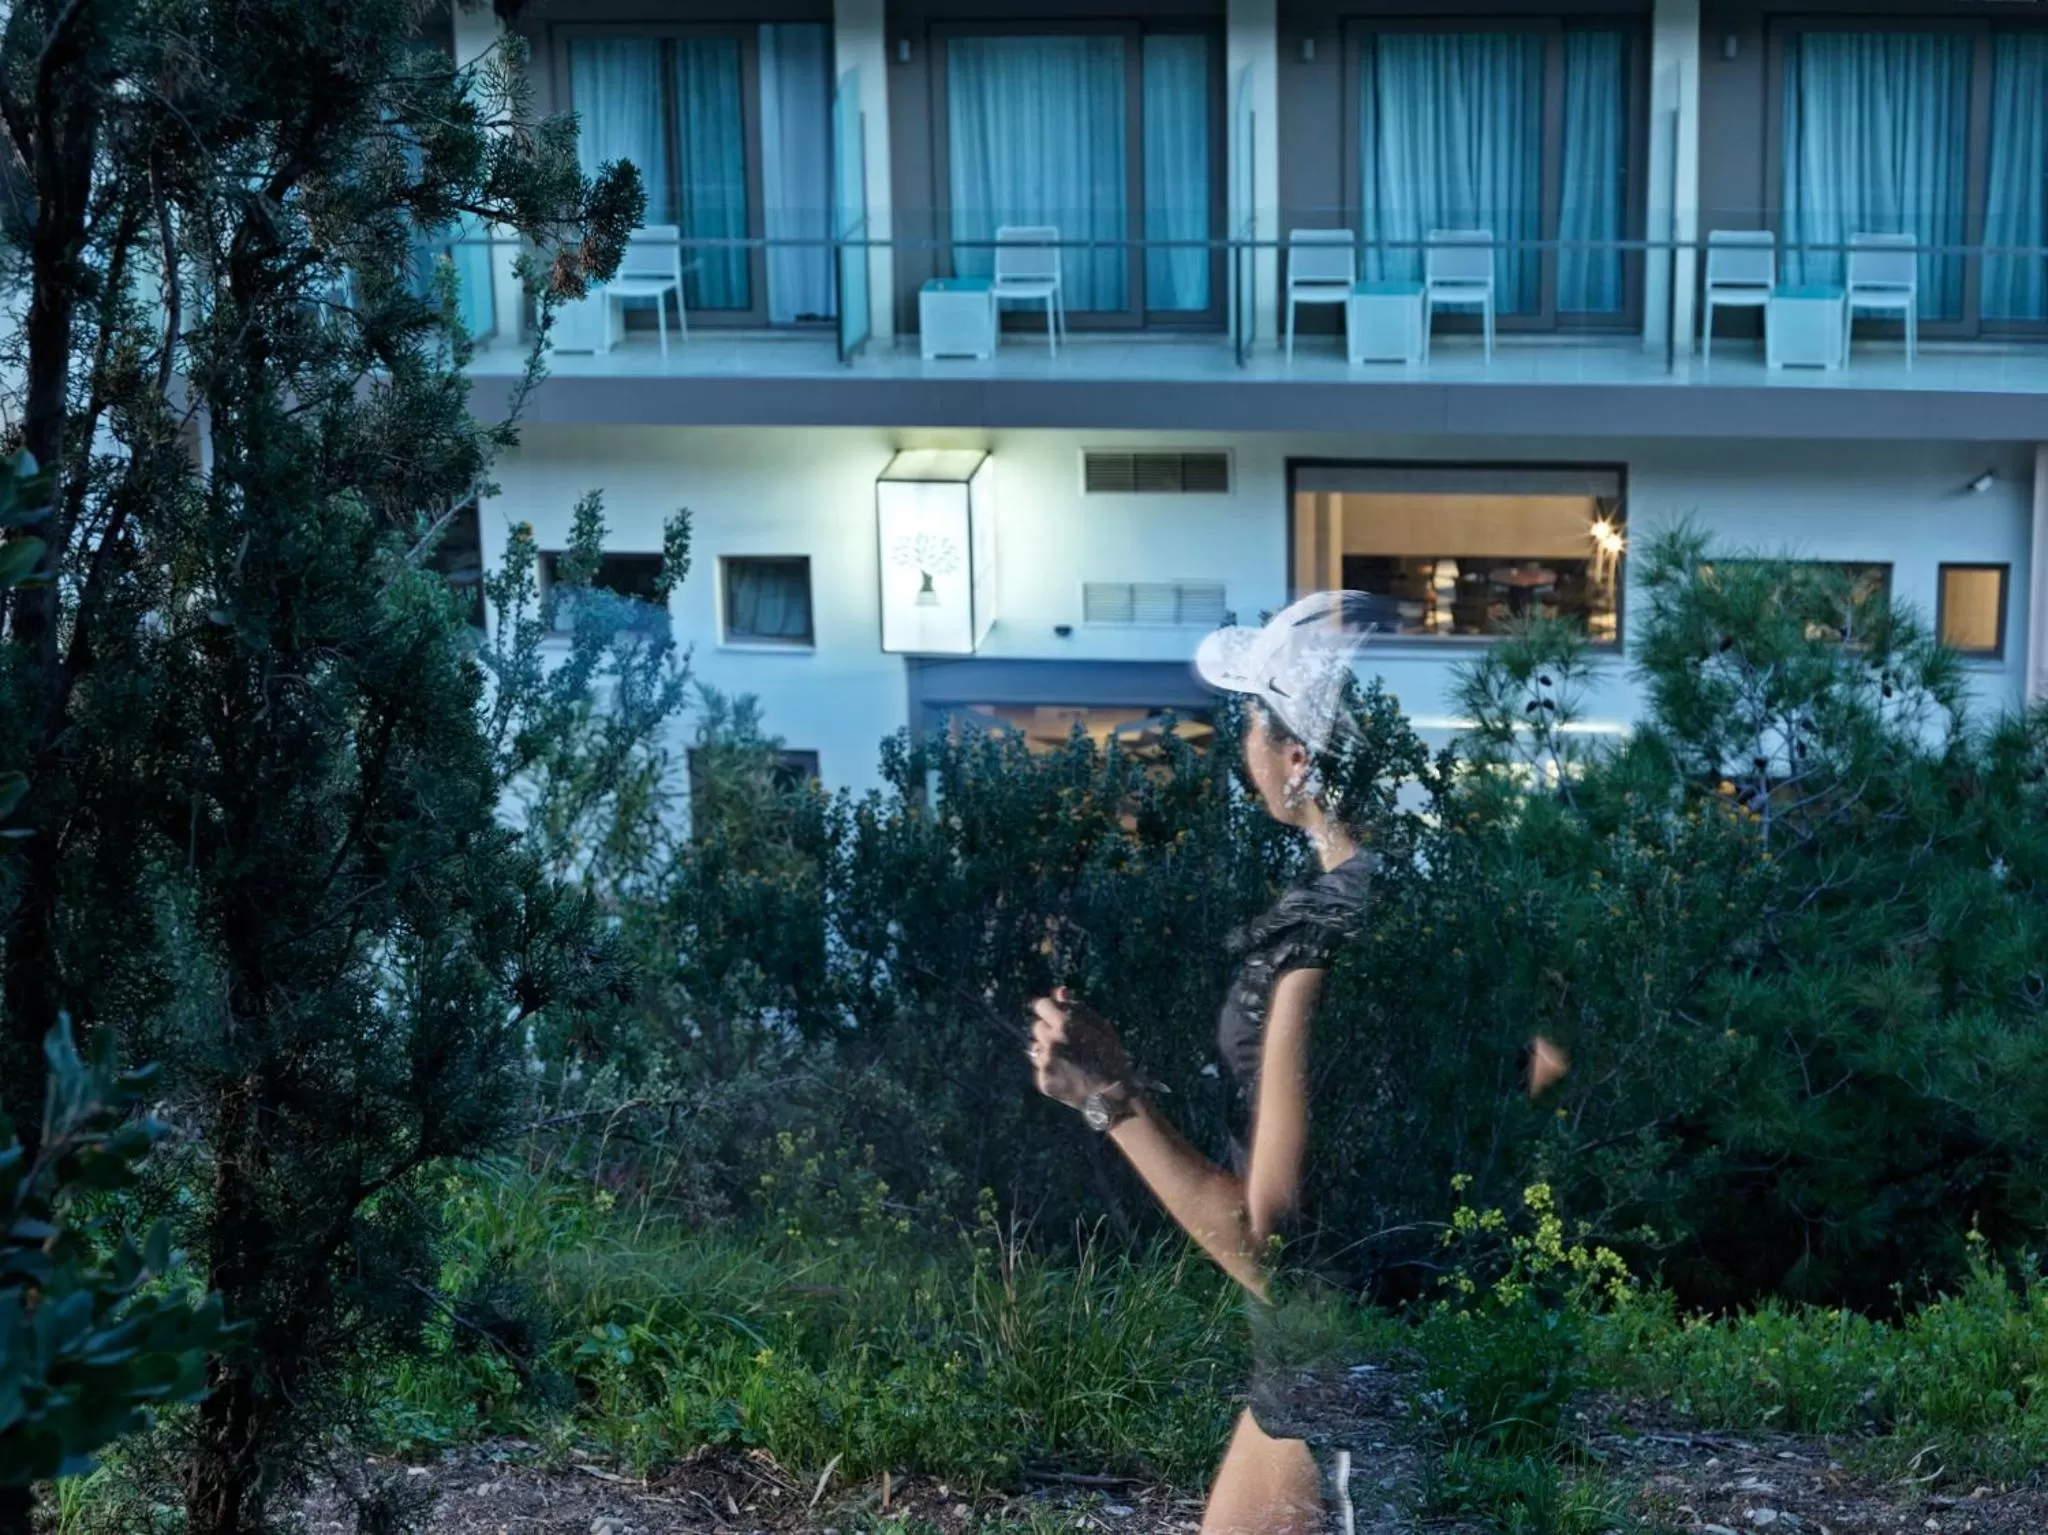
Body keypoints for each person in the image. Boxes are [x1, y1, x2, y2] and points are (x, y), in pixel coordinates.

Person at [1026, 592, 1568, 1534]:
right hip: (1408, 1351)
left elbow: (1280, 1246)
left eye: (1250, 719)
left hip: (1348, 1375)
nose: (1242, 741)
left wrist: (1106, 1095)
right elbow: (1546, 1069)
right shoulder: (1451, 914)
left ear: (1298, 758)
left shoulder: (1320, 949)